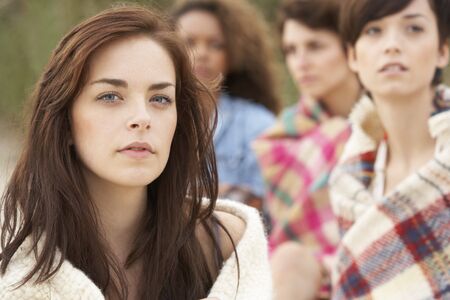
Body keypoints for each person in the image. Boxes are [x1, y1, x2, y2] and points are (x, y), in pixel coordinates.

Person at [0, 5, 272, 300]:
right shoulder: (18, 258)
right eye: (110, 96)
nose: (142, 118)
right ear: (64, 122)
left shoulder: (227, 246)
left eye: (160, 98)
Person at [329, 0, 450, 298]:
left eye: (413, 28)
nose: (392, 45)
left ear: (443, 50)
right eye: (373, 30)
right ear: (352, 56)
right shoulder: (348, 183)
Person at [251, 0, 361, 299]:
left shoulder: (390, 123)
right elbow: (285, 239)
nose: (301, 62)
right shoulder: (282, 138)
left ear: (350, 48)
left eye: (315, 46)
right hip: (298, 276)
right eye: (291, 50)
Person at [172, 0, 281, 210]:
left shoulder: (259, 125)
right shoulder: (151, 117)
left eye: (216, 45)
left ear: (233, 54)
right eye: (189, 43)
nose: (202, 53)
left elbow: (265, 206)